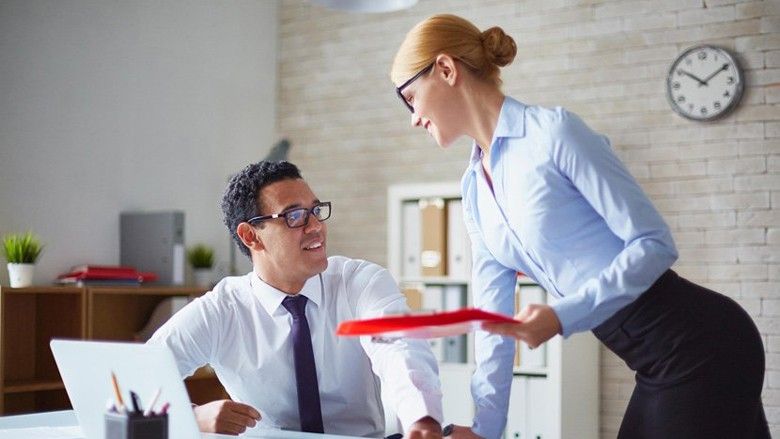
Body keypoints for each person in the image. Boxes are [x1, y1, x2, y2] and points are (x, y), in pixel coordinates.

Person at [390, 13, 768, 439]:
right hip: (653, 362)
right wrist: (485, 430)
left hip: (701, 345)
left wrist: (561, 315)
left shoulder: (554, 134)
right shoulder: (475, 190)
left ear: (445, 69)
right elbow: (493, 320)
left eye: (410, 97)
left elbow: (654, 243)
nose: (413, 117)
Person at [149, 160, 444, 438]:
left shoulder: (361, 283)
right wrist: (193, 416)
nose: (315, 226)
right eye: (294, 216)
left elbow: (401, 350)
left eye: (316, 210)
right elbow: (135, 381)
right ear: (250, 235)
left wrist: (422, 419)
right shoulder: (221, 310)